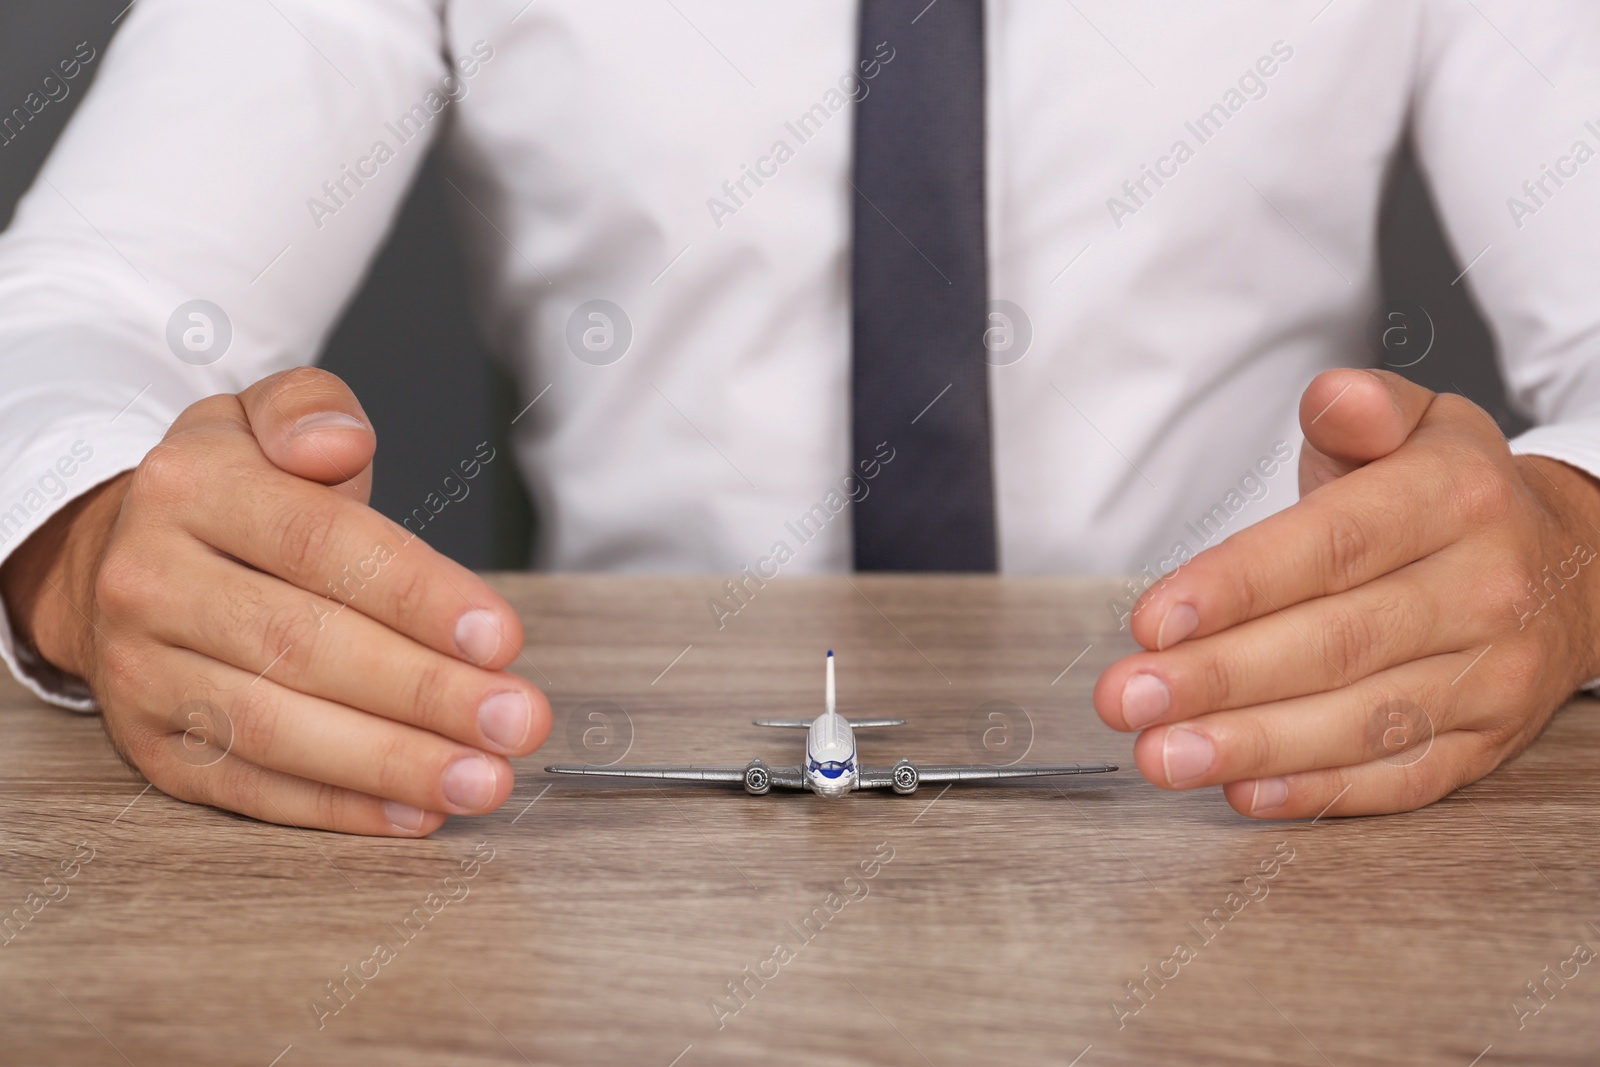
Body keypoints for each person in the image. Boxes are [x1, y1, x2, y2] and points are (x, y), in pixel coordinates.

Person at [2, 1, 1597, 836]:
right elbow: (82, 306)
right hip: (609, 856)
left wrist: (1571, 551)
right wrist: (88, 541)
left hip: (1245, 829)